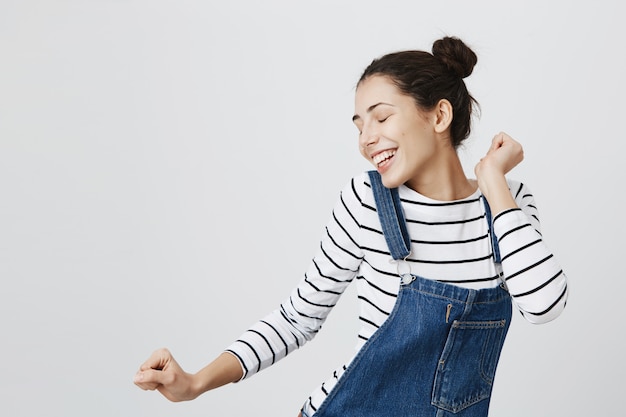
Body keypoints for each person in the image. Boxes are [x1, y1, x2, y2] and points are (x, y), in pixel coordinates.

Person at [134, 36, 568, 416]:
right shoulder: (368, 203)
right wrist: (194, 383)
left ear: (438, 116)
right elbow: (297, 318)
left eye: (380, 118)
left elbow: (545, 305)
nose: (366, 139)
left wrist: (493, 182)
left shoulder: (507, 201)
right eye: (359, 126)